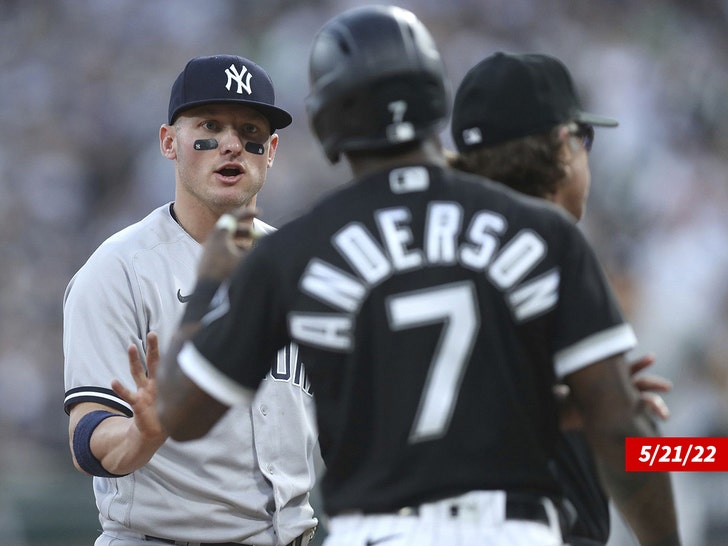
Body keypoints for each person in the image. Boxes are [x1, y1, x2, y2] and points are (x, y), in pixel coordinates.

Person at [154, 6, 680, 546]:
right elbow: (624, 430)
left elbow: (183, 416)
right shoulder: (542, 237)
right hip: (515, 530)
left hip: (375, 531)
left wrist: (210, 286)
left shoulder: (295, 251)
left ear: (328, 120)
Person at [63, 54, 319, 546]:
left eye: (250, 130)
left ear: (271, 151)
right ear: (169, 143)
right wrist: (144, 433)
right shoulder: (119, 269)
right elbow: (88, 438)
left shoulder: (300, 267)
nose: (230, 144)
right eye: (209, 126)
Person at [448, 51, 673, 546]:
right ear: (565, 145)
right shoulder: (551, 246)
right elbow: (623, 437)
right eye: (585, 140)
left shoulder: (429, 255)